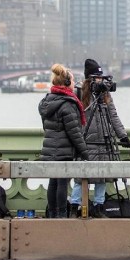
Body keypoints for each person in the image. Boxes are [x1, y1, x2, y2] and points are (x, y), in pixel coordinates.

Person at [68, 58, 130, 218]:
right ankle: (75, 206)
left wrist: (122, 135)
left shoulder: (105, 94)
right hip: (86, 141)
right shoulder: (79, 92)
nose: (100, 81)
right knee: (81, 177)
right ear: (89, 78)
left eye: (101, 78)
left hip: (104, 141)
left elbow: (113, 115)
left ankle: (98, 207)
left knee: (103, 176)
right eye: (97, 78)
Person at [38, 63, 89, 218]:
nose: (74, 84)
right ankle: (62, 215)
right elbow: (75, 133)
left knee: (53, 183)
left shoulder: (47, 101)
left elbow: (47, 128)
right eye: (73, 81)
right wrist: (84, 152)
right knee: (62, 184)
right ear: (67, 83)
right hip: (64, 150)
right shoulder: (68, 104)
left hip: (49, 149)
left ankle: (52, 215)